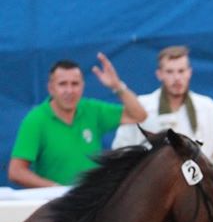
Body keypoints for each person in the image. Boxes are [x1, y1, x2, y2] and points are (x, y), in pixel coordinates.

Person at [8, 54, 148, 187]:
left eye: (75, 84)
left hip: (93, 201)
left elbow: (139, 115)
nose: (69, 90)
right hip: (55, 204)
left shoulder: (92, 110)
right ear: (51, 88)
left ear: (82, 86)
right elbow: (16, 172)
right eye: (62, 84)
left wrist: (116, 85)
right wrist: (56, 189)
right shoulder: (36, 119)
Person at [112, 45, 213, 169]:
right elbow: (122, 148)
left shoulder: (208, 107)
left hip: (199, 184)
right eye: (170, 72)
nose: (177, 78)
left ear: (189, 73)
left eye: (181, 71)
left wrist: (210, 166)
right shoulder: (141, 107)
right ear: (159, 74)